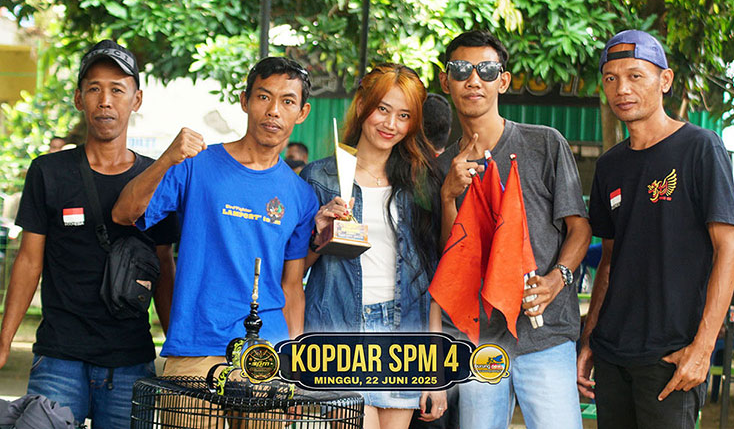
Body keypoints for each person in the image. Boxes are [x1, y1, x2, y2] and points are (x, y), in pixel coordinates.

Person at [0, 39, 178, 429]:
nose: (105, 101)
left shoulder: (158, 179)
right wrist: (4, 340)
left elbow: (164, 266)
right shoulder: (48, 172)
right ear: (79, 99)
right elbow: (29, 261)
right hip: (58, 357)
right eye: (94, 89)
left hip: (130, 361)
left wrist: (176, 347)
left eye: (117, 90)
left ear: (136, 99)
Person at [112, 56, 318, 381]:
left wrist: (294, 371)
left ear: (302, 112)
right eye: (264, 96)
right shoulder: (196, 164)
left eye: (287, 101)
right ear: (245, 101)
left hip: (267, 357)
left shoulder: (301, 195)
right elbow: (124, 213)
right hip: (196, 350)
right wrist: (167, 159)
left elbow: (292, 288)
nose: (274, 111)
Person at [577, 30, 734, 429]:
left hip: (671, 356)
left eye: (635, 76)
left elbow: (729, 249)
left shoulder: (700, 147)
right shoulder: (610, 165)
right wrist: (590, 339)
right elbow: (610, 259)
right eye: (612, 78)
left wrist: (703, 348)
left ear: (664, 80)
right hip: (612, 354)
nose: (622, 89)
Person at [435, 30, 591, 429]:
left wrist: (557, 279)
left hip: (545, 333)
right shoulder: (439, 168)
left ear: (503, 81)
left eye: (487, 70)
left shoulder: (545, 144)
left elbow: (579, 229)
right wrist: (448, 196)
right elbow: (449, 260)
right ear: (445, 81)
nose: (474, 80)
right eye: (461, 70)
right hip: (479, 338)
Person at [301, 63, 446, 429]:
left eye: (404, 115)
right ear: (363, 104)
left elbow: (433, 278)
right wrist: (320, 234)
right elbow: (294, 269)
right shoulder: (320, 176)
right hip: (338, 331)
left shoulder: (422, 181)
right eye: (383, 108)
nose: (390, 124)